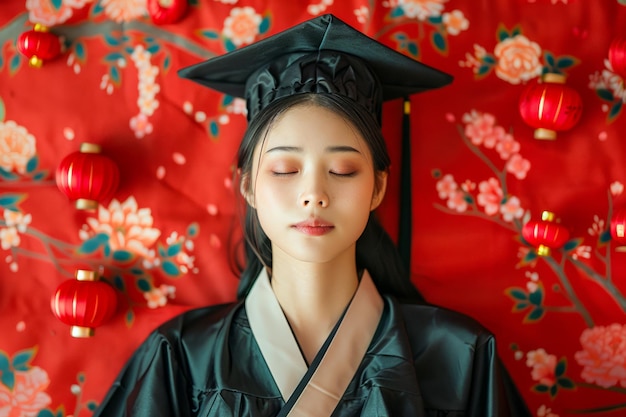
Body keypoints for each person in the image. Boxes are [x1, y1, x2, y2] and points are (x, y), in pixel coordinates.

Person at [94, 14, 531, 417]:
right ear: (247, 184)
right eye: (285, 169)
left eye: (342, 170)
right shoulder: (182, 356)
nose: (314, 195)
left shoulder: (458, 355)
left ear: (378, 186)